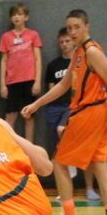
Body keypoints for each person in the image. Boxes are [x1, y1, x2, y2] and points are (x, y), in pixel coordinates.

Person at [22, 8, 107, 215]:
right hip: (94, 112)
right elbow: (63, 85)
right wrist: (36, 104)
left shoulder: (92, 52)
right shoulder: (78, 52)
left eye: (76, 27)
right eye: (69, 28)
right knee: (100, 165)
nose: (72, 32)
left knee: (59, 164)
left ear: (87, 26)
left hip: (90, 112)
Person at [0, 3, 43, 143]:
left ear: (26, 17)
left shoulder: (33, 35)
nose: (16, 17)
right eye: (14, 15)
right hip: (12, 81)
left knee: (29, 115)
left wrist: (37, 81)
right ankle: (9, 145)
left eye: (19, 14)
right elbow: (4, 60)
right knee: (10, 115)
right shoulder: (6, 37)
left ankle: (29, 146)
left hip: (29, 80)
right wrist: (2, 84)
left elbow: (37, 58)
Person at [42, 27, 75, 155]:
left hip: (71, 105)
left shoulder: (78, 63)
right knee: (54, 140)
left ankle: (70, 160)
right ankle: (56, 161)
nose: (64, 44)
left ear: (73, 41)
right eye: (61, 42)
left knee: (63, 130)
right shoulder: (53, 65)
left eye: (67, 41)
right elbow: (51, 87)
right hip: (55, 106)